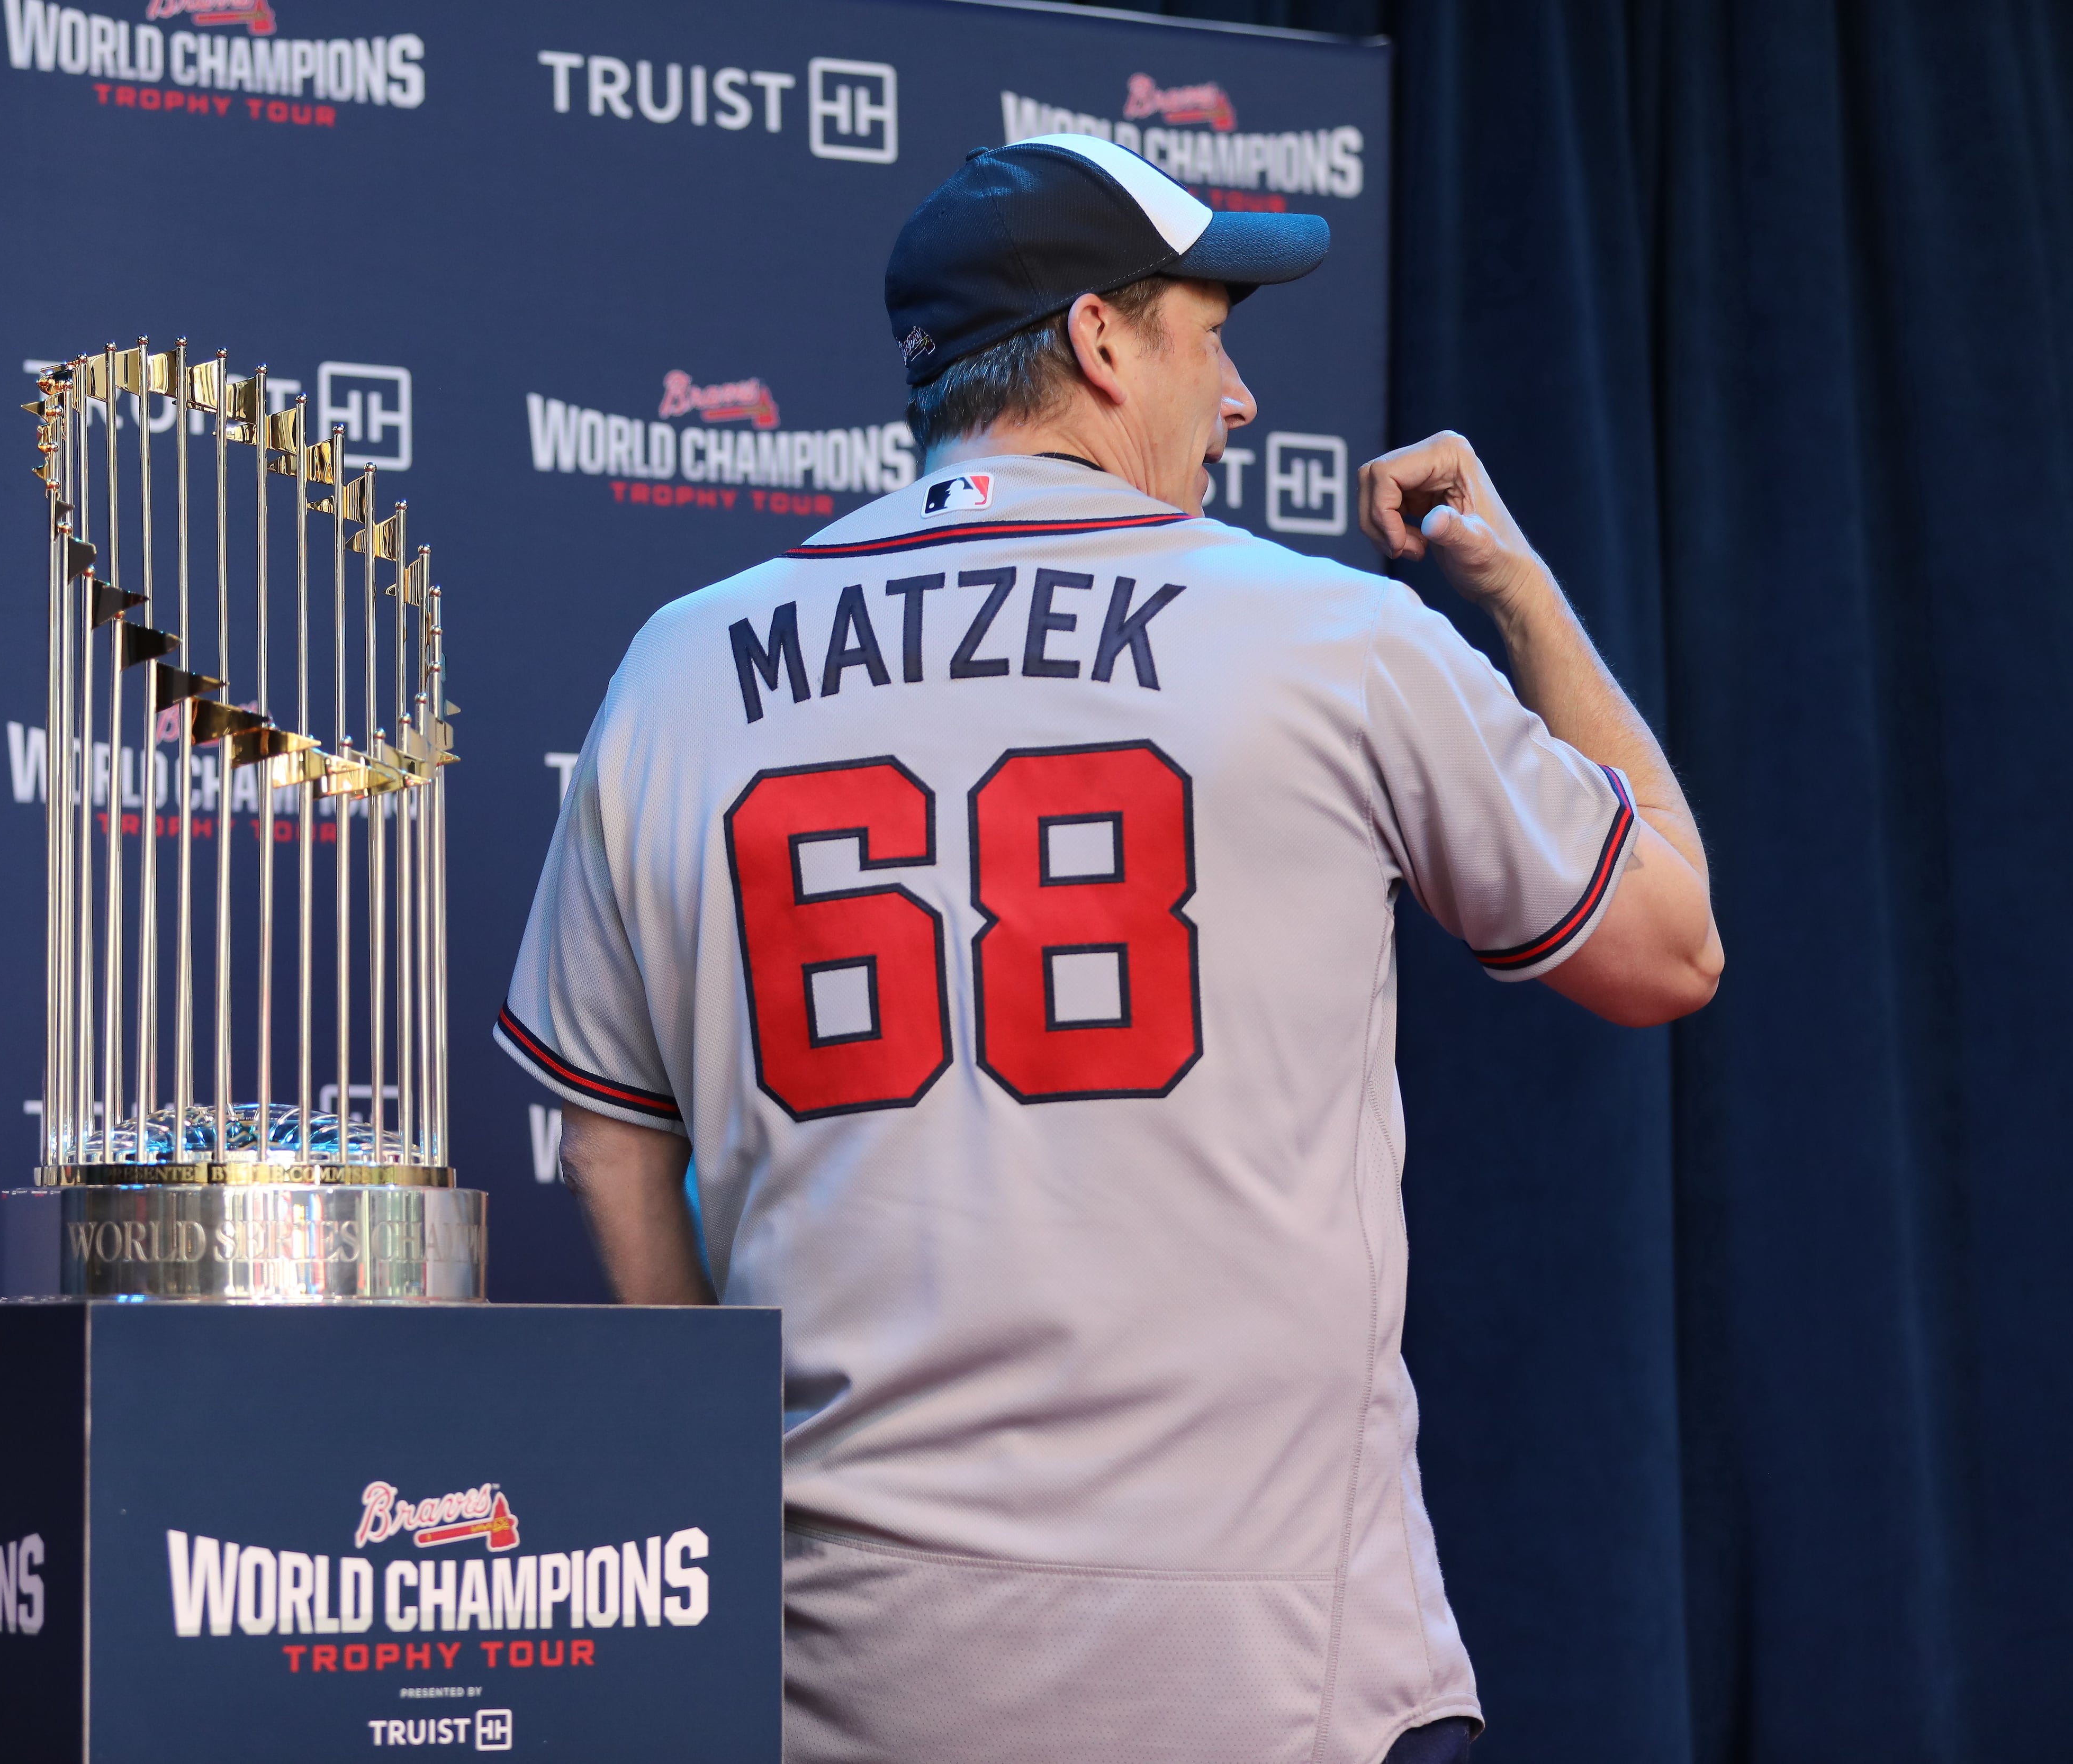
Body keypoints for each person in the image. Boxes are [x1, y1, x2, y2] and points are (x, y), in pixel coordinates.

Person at [496, 134, 1720, 1764]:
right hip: (1275, 1675)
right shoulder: (1332, 636)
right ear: (1098, 340)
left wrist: (732, 1488)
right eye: (1212, 336)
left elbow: (611, 1142)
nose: (1234, 400)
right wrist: (1522, 588)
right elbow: (1666, 947)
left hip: (849, 1677)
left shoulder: (679, 668)